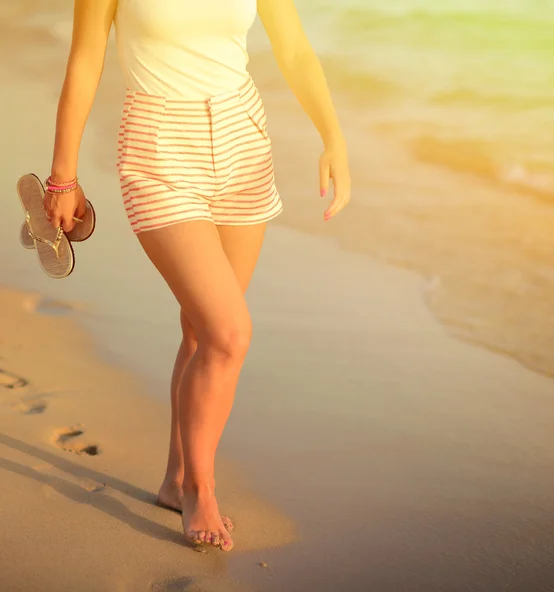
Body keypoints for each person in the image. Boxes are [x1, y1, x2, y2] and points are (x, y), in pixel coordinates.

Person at [43, 0, 351, 552]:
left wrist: (335, 139)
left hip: (244, 142)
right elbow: (86, 60)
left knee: (202, 332)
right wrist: (63, 174)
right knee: (229, 334)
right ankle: (201, 492)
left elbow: (296, 48)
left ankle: (175, 480)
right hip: (157, 149)